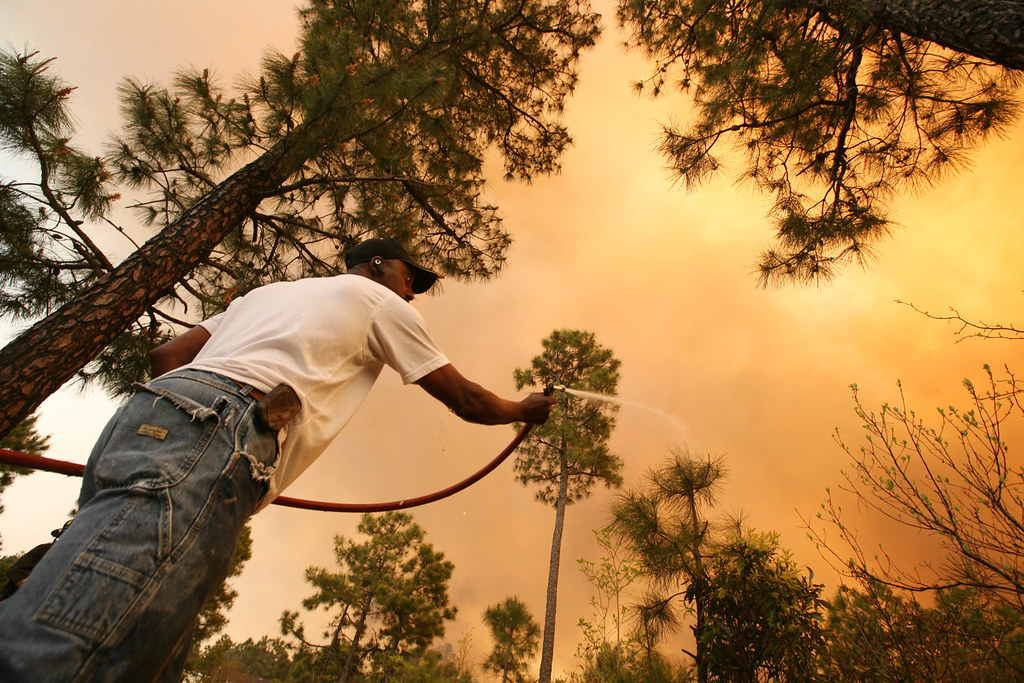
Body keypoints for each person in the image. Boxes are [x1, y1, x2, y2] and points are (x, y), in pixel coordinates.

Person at [0, 237, 555, 682]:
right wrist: (523, 408)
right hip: (222, 431)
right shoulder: (378, 302)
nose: (412, 294)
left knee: (145, 638)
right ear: (379, 267)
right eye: (411, 279)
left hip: (144, 419)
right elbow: (467, 400)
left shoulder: (263, 296)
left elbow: (164, 356)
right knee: (77, 634)